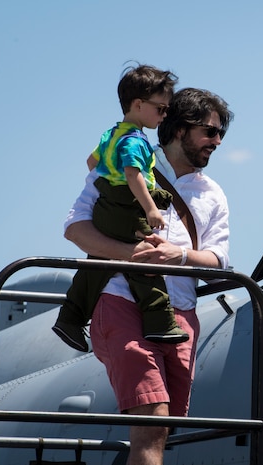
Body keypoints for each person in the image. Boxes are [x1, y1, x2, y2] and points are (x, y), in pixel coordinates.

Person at [63, 87, 233, 465]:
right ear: (178, 130)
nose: (217, 141)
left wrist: (180, 255)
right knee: (152, 419)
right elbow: (75, 229)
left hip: (181, 316)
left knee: (164, 426)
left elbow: (218, 259)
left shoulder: (213, 194)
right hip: (122, 301)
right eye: (209, 131)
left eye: (222, 134)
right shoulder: (125, 159)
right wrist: (134, 256)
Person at [52, 64, 189, 353]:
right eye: (161, 109)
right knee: (146, 264)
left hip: (107, 206)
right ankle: (161, 324)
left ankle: (70, 319)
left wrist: (107, 185)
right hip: (127, 208)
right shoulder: (135, 140)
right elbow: (133, 174)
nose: (164, 115)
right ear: (139, 105)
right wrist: (150, 208)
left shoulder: (111, 134)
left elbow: (92, 163)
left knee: (96, 266)